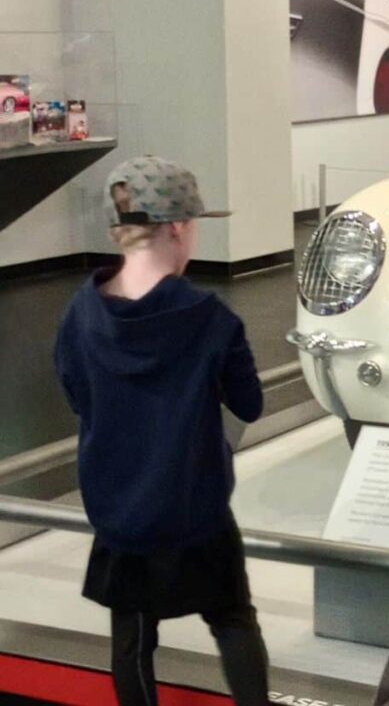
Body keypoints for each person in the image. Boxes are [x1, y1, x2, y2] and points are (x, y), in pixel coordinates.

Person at [54, 155, 270, 706]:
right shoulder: (209, 317)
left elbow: (78, 397)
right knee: (233, 621)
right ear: (177, 226)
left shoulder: (80, 314)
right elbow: (250, 403)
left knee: (132, 638)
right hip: (195, 508)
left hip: (119, 509)